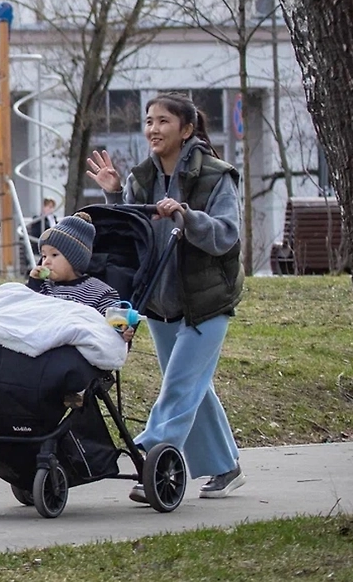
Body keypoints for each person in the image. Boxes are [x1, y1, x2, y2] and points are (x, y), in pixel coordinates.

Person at [86, 91, 246, 501]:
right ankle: (226, 467)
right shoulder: (141, 177)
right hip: (159, 304)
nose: (153, 129)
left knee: (179, 386)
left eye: (163, 122)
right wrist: (114, 194)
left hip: (206, 303)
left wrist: (187, 216)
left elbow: (227, 235)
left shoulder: (216, 175)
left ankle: (149, 454)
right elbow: (133, 233)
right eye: (149, 121)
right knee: (194, 387)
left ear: (187, 129)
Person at [27, 211, 124, 324]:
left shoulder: (97, 292)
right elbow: (28, 309)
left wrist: (120, 327)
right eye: (44, 256)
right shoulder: (43, 287)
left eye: (54, 255)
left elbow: (112, 317)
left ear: (74, 259)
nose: (46, 262)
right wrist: (33, 282)